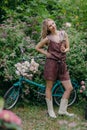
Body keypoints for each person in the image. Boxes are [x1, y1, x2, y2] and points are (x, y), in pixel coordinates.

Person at [35, 18, 74, 118]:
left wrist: (65, 49)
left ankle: (62, 111)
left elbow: (68, 47)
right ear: (47, 28)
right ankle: (51, 111)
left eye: (53, 23)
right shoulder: (48, 38)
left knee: (69, 88)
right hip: (51, 64)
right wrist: (47, 53)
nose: (53, 26)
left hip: (62, 65)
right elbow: (37, 47)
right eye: (50, 25)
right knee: (49, 88)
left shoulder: (63, 34)